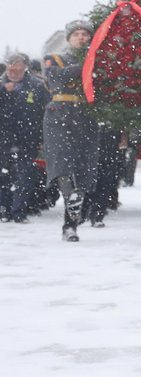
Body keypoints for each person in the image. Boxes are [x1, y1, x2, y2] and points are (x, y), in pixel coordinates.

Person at [41, 20, 102, 241]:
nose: (81, 38)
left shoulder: (100, 62)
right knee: (62, 165)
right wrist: (86, 66)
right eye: (76, 34)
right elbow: (56, 78)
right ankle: (70, 217)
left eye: (85, 34)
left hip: (86, 117)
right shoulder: (54, 58)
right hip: (60, 117)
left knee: (84, 168)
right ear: (68, 39)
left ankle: (73, 216)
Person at [1, 52, 48, 223]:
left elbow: (45, 112)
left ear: (25, 66)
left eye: (18, 63)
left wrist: (43, 138)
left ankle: (19, 211)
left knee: (25, 175)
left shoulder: (36, 85)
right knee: (3, 175)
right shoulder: (1, 83)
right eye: (11, 63)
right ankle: (4, 209)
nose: (13, 67)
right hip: (3, 138)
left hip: (27, 138)